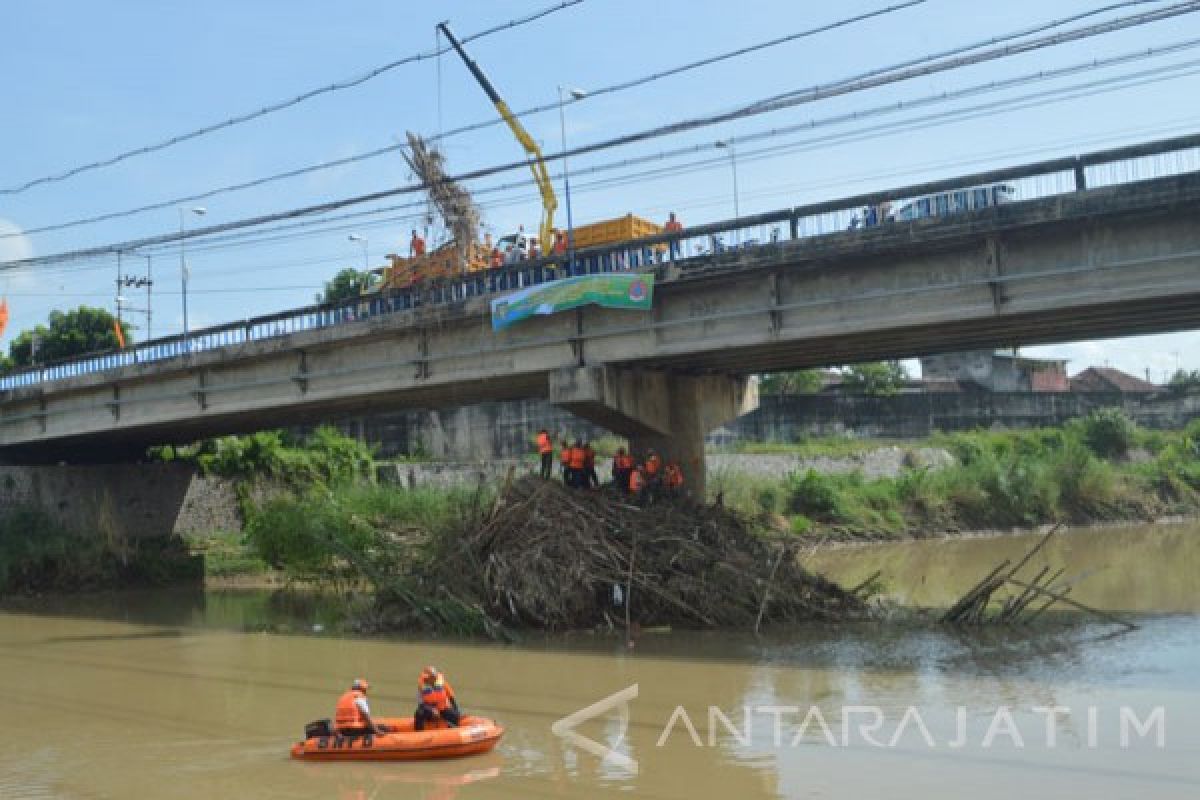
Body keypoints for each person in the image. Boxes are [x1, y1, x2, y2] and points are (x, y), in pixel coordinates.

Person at [415, 666, 460, 731]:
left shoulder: (443, 684)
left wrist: (456, 709)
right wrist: (431, 710)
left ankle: (451, 733)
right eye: (427, 678)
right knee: (419, 713)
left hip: (442, 709)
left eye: (432, 677)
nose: (430, 679)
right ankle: (419, 734)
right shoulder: (422, 687)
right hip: (428, 710)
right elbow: (421, 703)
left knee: (454, 715)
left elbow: (451, 697)